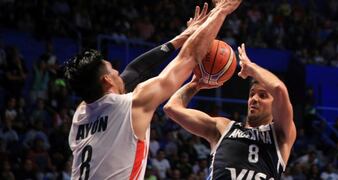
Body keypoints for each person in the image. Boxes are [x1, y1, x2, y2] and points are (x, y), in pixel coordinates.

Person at [64, 1, 243, 179]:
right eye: (113, 70)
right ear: (107, 80)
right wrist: (221, 11)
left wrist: (181, 38)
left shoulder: (80, 113)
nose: (119, 72)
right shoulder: (131, 106)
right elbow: (189, 57)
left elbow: (134, 71)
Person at [164, 43, 297, 179]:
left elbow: (279, 90)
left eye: (262, 95)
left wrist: (251, 68)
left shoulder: (280, 135)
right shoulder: (223, 128)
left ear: (274, 104)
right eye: (252, 94)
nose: (254, 99)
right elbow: (171, 108)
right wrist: (195, 85)